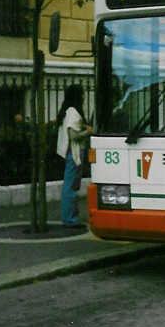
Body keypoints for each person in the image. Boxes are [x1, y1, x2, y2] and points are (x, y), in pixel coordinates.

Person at [56, 84, 93, 227]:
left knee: (71, 185)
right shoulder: (73, 112)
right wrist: (87, 132)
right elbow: (73, 136)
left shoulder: (68, 111)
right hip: (74, 152)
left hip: (72, 152)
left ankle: (71, 217)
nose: (84, 97)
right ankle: (69, 219)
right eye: (82, 94)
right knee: (70, 186)